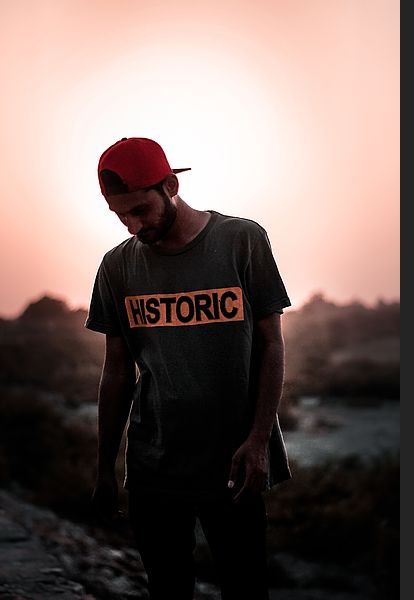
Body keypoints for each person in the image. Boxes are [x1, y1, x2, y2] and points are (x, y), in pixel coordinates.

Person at [86, 137, 291, 600]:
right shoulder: (116, 266)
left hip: (233, 464)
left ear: (170, 185)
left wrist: (258, 441)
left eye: (140, 210)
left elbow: (271, 345)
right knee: (168, 590)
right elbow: (117, 372)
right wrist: (103, 467)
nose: (134, 225)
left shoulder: (241, 240)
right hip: (153, 466)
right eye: (120, 216)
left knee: (245, 588)